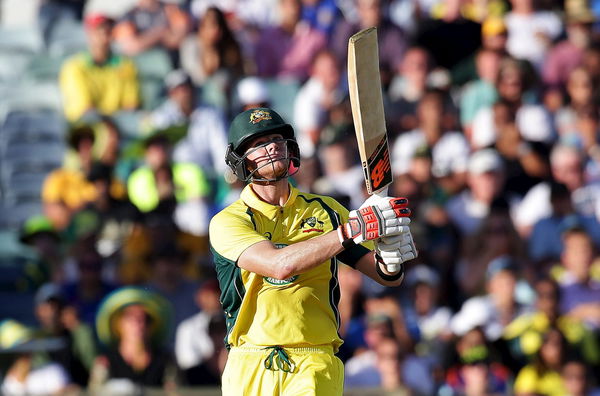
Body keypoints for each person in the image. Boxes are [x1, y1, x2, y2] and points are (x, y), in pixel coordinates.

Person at [209, 107, 417, 394]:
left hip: (314, 360)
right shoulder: (229, 220)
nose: (271, 147)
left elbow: (386, 276)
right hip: (249, 361)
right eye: (258, 144)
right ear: (239, 160)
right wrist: (351, 231)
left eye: (276, 139)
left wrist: (391, 251)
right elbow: (279, 265)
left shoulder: (327, 211)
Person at [59, 13, 140, 122]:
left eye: (108, 30)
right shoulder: (74, 67)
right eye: (99, 30)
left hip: (118, 122)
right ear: (89, 34)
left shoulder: (125, 65)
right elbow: (85, 109)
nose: (105, 35)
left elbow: (131, 104)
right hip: (85, 125)